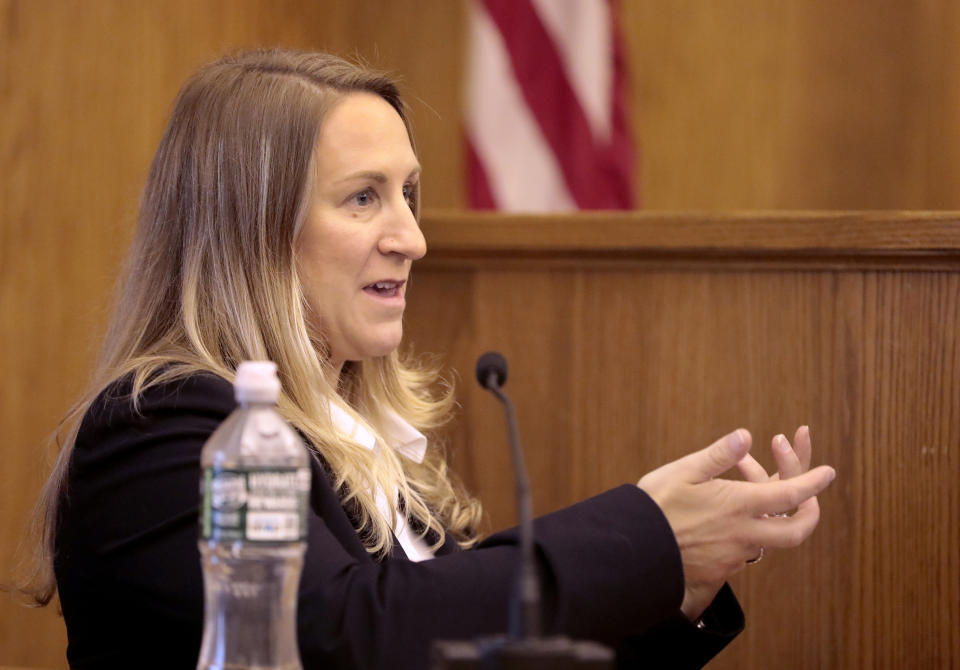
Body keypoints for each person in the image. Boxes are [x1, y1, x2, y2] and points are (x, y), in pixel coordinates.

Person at [29, 49, 835, 669]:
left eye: (408, 194)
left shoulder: (359, 447)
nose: (412, 239)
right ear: (251, 233)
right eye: (363, 197)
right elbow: (349, 636)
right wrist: (644, 539)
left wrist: (678, 587)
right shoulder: (162, 426)